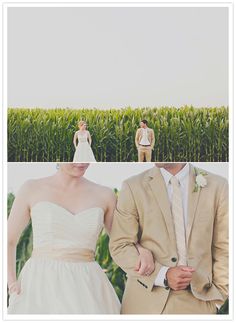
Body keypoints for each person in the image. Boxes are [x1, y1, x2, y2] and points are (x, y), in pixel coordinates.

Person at [7, 163, 154, 314]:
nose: (81, 162)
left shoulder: (105, 195)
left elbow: (121, 239)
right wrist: (12, 284)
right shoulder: (32, 188)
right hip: (41, 284)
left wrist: (141, 250)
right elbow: (8, 240)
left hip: (88, 284)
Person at [109, 163, 228, 314]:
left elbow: (225, 247)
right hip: (145, 303)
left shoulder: (218, 186)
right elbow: (120, 245)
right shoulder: (133, 187)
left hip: (200, 304)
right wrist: (162, 275)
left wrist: (218, 299)